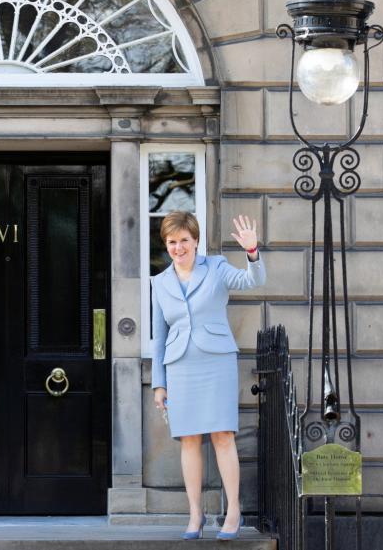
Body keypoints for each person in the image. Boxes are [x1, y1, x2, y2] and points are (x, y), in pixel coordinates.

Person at [149, 211, 265, 541]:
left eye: (184, 240)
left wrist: (252, 252)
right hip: (180, 366)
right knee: (188, 440)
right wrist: (160, 383)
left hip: (216, 362)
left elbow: (251, 281)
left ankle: (233, 512)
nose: (178, 247)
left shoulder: (215, 267)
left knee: (222, 436)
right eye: (172, 242)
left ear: (196, 240)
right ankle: (195, 514)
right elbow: (159, 336)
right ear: (166, 244)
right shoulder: (159, 283)